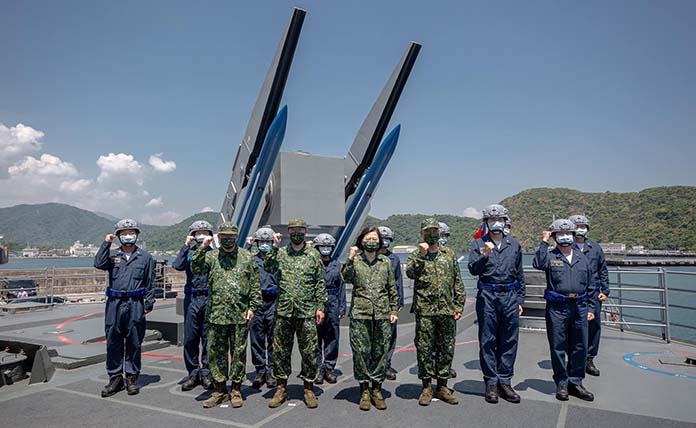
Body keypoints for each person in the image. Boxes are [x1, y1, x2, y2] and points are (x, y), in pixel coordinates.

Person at [192, 222, 261, 408]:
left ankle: (236, 390)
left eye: (231, 236)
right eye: (223, 236)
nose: (227, 239)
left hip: (239, 314)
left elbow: (255, 285)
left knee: (238, 353)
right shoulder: (212, 256)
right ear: (219, 237)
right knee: (216, 353)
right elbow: (196, 268)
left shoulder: (247, 257)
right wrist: (201, 247)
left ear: (236, 237)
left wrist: (253, 307)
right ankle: (220, 390)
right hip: (216, 314)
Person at [264, 218, 327, 409]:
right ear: (288, 233)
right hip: (284, 311)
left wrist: (321, 306)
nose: (297, 233)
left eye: (300, 230)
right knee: (280, 351)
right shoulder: (281, 253)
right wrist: (274, 247)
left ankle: (308, 387)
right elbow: (268, 267)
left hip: (307, 311)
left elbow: (319, 282)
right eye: (293, 230)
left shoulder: (313, 255)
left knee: (309, 351)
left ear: (306, 232)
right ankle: (281, 388)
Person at [468, 204, 526, 403]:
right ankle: (491, 383)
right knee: (488, 340)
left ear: (505, 222)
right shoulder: (478, 244)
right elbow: (473, 270)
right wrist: (484, 255)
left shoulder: (514, 245)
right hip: (488, 296)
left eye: (499, 220)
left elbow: (520, 275)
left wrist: (520, 299)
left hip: (509, 296)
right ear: (486, 223)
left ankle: (505, 381)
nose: (496, 223)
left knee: (509, 339)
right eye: (492, 220)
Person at [533, 219, 596, 402]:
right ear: (554, 236)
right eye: (560, 234)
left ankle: (575, 382)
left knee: (580, 345)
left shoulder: (582, 258)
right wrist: (544, 242)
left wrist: (591, 307)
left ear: (574, 235)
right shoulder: (551, 257)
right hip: (557, 308)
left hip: (580, 307)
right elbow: (538, 263)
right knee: (558, 346)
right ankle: (561, 382)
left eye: (568, 233)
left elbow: (591, 284)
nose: (565, 237)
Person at [406, 218, 466, 406]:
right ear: (422, 234)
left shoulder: (449, 254)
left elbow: (457, 281)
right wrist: (421, 256)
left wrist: (459, 305)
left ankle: (442, 386)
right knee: (424, 349)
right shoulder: (416, 255)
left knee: (446, 348)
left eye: (435, 231)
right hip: (425, 311)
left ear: (439, 233)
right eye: (428, 231)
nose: (432, 234)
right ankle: (426, 387)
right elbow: (410, 273)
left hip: (447, 310)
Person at [94, 219, 155, 398]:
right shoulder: (112, 255)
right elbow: (98, 263)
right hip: (114, 303)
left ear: (136, 235)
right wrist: (106, 243)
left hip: (135, 303)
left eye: (131, 233)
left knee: (134, 342)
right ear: (118, 236)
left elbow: (150, 282)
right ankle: (115, 378)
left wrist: (148, 303)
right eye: (124, 233)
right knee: (113, 341)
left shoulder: (146, 258)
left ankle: (131, 377)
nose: (128, 236)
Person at [342, 227, 398, 411]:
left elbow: (392, 287)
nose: (372, 241)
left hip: (382, 313)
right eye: (368, 238)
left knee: (380, 352)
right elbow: (345, 277)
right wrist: (350, 258)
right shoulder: (356, 261)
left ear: (380, 242)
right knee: (361, 352)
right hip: (360, 313)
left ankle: (377, 389)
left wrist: (394, 310)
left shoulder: (386, 262)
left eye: (375, 238)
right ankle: (364, 390)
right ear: (362, 241)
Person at [172, 220, 214, 391]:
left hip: (208, 298)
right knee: (190, 338)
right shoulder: (188, 252)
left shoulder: (214, 254)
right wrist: (185, 245)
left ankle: (206, 372)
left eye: (205, 232)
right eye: (198, 233)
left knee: (208, 338)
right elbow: (177, 266)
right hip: (192, 298)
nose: (201, 235)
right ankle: (193, 373)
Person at [569, 214, 609, 377]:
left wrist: (605, 291)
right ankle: (573, 358)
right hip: (574, 294)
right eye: (577, 226)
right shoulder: (566, 247)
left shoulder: (595, 248)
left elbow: (603, 270)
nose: (580, 229)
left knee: (594, 326)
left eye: (583, 226)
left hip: (593, 294)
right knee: (573, 326)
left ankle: (589, 359)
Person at [313, 233, 346, 385]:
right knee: (316, 337)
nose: (325, 249)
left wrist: (341, 308)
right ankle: (318, 368)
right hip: (316, 304)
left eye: (328, 246)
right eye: (322, 246)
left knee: (332, 337)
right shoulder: (313, 264)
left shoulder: (337, 265)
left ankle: (329, 367)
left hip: (333, 302)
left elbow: (341, 287)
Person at [249, 226, 280, 389]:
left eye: (268, 241)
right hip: (257, 302)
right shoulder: (251, 261)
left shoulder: (278, 259)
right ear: (257, 242)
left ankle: (272, 371)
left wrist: (276, 247)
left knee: (274, 338)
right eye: (262, 241)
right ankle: (260, 370)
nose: (265, 244)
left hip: (274, 301)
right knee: (257, 338)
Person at [377, 226, 403, 381]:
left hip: (390, 302)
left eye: (387, 239)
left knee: (390, 335)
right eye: (382, 238)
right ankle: (375, 365)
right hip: (374, 303)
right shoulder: (366, 257)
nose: (385, 242)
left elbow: (398, 281)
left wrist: (399, 301)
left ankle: (386, 364)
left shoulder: (394, 259)